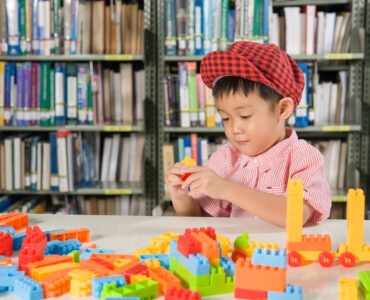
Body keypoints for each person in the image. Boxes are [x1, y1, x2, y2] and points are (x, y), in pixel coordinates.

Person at [165, 41, 332, 227]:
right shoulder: (225, 159)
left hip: (285, 253)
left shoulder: (303, 158)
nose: (234, 128)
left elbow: (295, 215)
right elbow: (201, 220)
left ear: (282, 109)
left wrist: (225, 189)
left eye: (245, 116)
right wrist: (181, 197)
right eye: (226, 118)